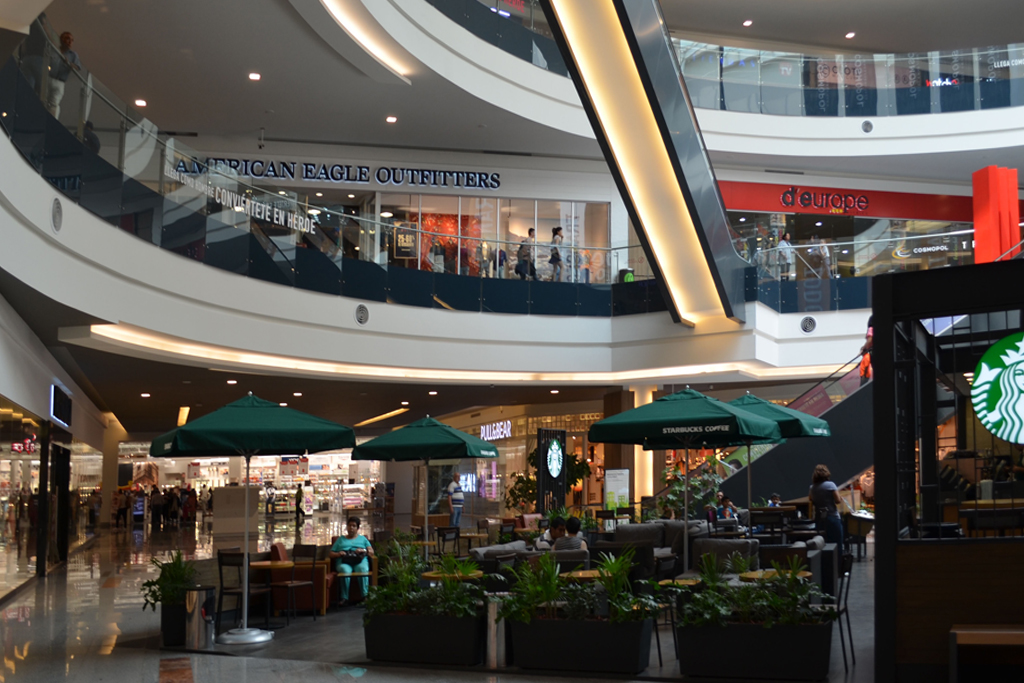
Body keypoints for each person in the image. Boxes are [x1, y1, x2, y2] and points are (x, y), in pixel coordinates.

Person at [329, 517, 374, 604]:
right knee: (345, 570)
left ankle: (365, 596)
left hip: (360, 560)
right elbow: (331, 554)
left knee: (362, 569)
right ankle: (344, 597)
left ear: (358, 528)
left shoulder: (363, 539)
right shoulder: (340, 539)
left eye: (354, 526)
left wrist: (363, 550)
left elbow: (371, 552)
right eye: (349, 525)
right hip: (344, 560)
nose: (351, 528)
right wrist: (338, 554)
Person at [810, 464, 847, 556]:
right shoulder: (831, 485)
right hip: (832, 517)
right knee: (837, 543)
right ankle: (837, 563)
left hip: (819, 519)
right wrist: (840, 498)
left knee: (823, 543)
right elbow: (837, 500)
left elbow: (811, 500)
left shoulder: (812, 487)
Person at [46, 31, 82, 119]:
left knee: (54, 103)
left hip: (60, 82)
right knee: (44, 99)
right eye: (68, 39)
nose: (70, 42)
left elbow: (77, 67)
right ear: (62, 39)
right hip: (48, 77)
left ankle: (52, 121)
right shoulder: (54, 50)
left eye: (72, 40)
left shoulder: (73, 55)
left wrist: (69, 63)